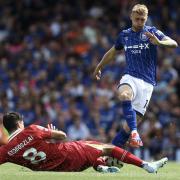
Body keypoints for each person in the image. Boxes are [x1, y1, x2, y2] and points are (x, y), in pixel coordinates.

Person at [93, 4, 178, 148]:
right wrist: (99, 66)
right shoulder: (124, 35)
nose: (139, 22)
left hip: (147, 84)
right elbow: (113, 52)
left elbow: (173, 43)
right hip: (130, 77)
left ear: (146, 19)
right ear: (131, 17)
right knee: (125, 95)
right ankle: (135, 132)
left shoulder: (151, 32)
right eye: (137, 19)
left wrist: (159, 42)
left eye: (142, 20)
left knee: (126, 128)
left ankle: (109, 159)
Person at [0, 112, 168, 173]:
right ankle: (146, 165)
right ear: (19, 123)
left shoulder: (6, 150)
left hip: (60, 170)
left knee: (92, 150)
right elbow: (62, 135)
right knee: (106, 147)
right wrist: (51, 132)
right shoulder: (32, 130)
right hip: (70, 155)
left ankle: (100, 167)